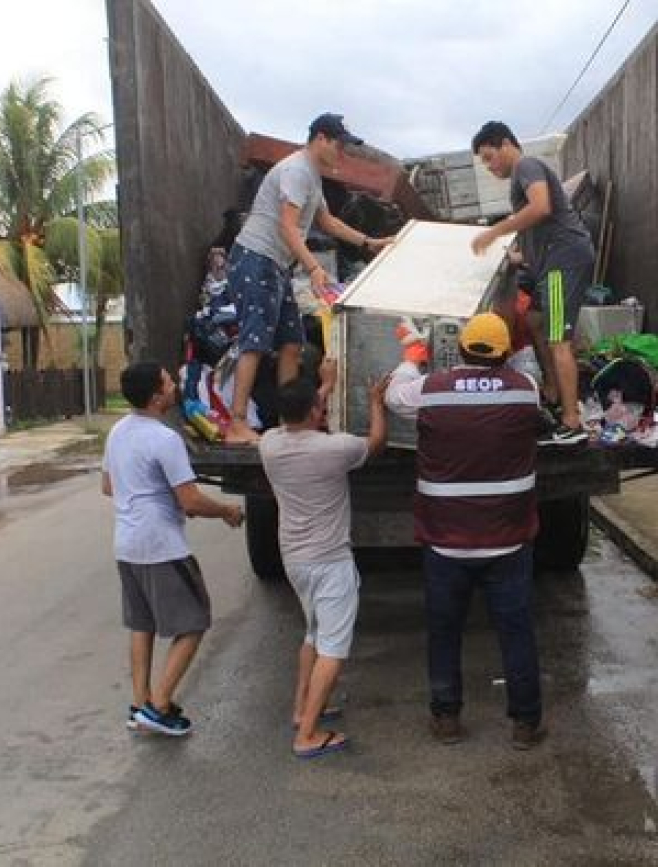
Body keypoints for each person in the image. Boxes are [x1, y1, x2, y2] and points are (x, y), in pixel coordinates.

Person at [384, 312, 547, 749]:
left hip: (445, 542)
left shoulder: (431, 390)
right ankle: (526, 724)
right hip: (508, 540)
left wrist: (412, 357)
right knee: (516, 632)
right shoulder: (525, 391)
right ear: (505, 353)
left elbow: (394, 396)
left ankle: (447, 718)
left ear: (458, 350)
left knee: (445, 631)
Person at [224, 112, 394, 445]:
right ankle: (237, 423)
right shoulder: (296, 171)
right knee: (255, 342)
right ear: (320, 138)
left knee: (291, 342)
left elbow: (326, 221)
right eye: (338, 146)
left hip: (275, 265)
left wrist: (368, 242)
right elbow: (287, 227)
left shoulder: (313, 177)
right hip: (255, 259)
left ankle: (291, 422)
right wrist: (314, 268)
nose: (341, 154)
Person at [102, 361, 245, 736]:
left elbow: (108, 486)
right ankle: (160, 704)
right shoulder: (164, 439)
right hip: (161, 546)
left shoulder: (118, 431)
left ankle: (139, 703)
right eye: (168, 383)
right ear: (155, 396)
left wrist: (152, 494)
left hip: (127, 544)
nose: (174, 385)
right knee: (195, 621)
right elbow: (191, 501)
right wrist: (227, 511)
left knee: (142, 624)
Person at [258, 359, 389, 759]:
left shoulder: (270, 445)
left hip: (295, 559)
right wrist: (376, 403)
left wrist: (324, 386)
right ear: (317, 412)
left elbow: (302, 417)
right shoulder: (337, 448)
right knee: (333, 648)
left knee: (314, 635)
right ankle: (308, 735)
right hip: (331, 561)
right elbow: (377, 442)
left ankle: (302, 711)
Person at [469, 121, 594, 445]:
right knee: (536, 320)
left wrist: (496, 231)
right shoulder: (521, 178)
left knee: (558, 339)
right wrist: (512, 257)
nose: (489, 166)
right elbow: (535, 232)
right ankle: (553, 393)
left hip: (562, 260)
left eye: (488, 157)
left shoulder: (527, 165)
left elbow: (541, 208)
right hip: (552, 260)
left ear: (506, 144)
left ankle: (571, 421)